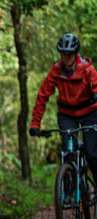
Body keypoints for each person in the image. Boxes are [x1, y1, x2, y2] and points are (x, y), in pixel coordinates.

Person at [29, 33, 97, 177]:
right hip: (67, 115)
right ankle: (66, 195)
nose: (67, 58)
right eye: (64, 54)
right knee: (68, 154)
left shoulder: (87, 70)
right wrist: (35, 124)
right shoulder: (55, 72)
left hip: (89, 113)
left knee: (92, 153)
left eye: (70, 54)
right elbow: (42, 96)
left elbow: (96, 85)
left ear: (76, 53)